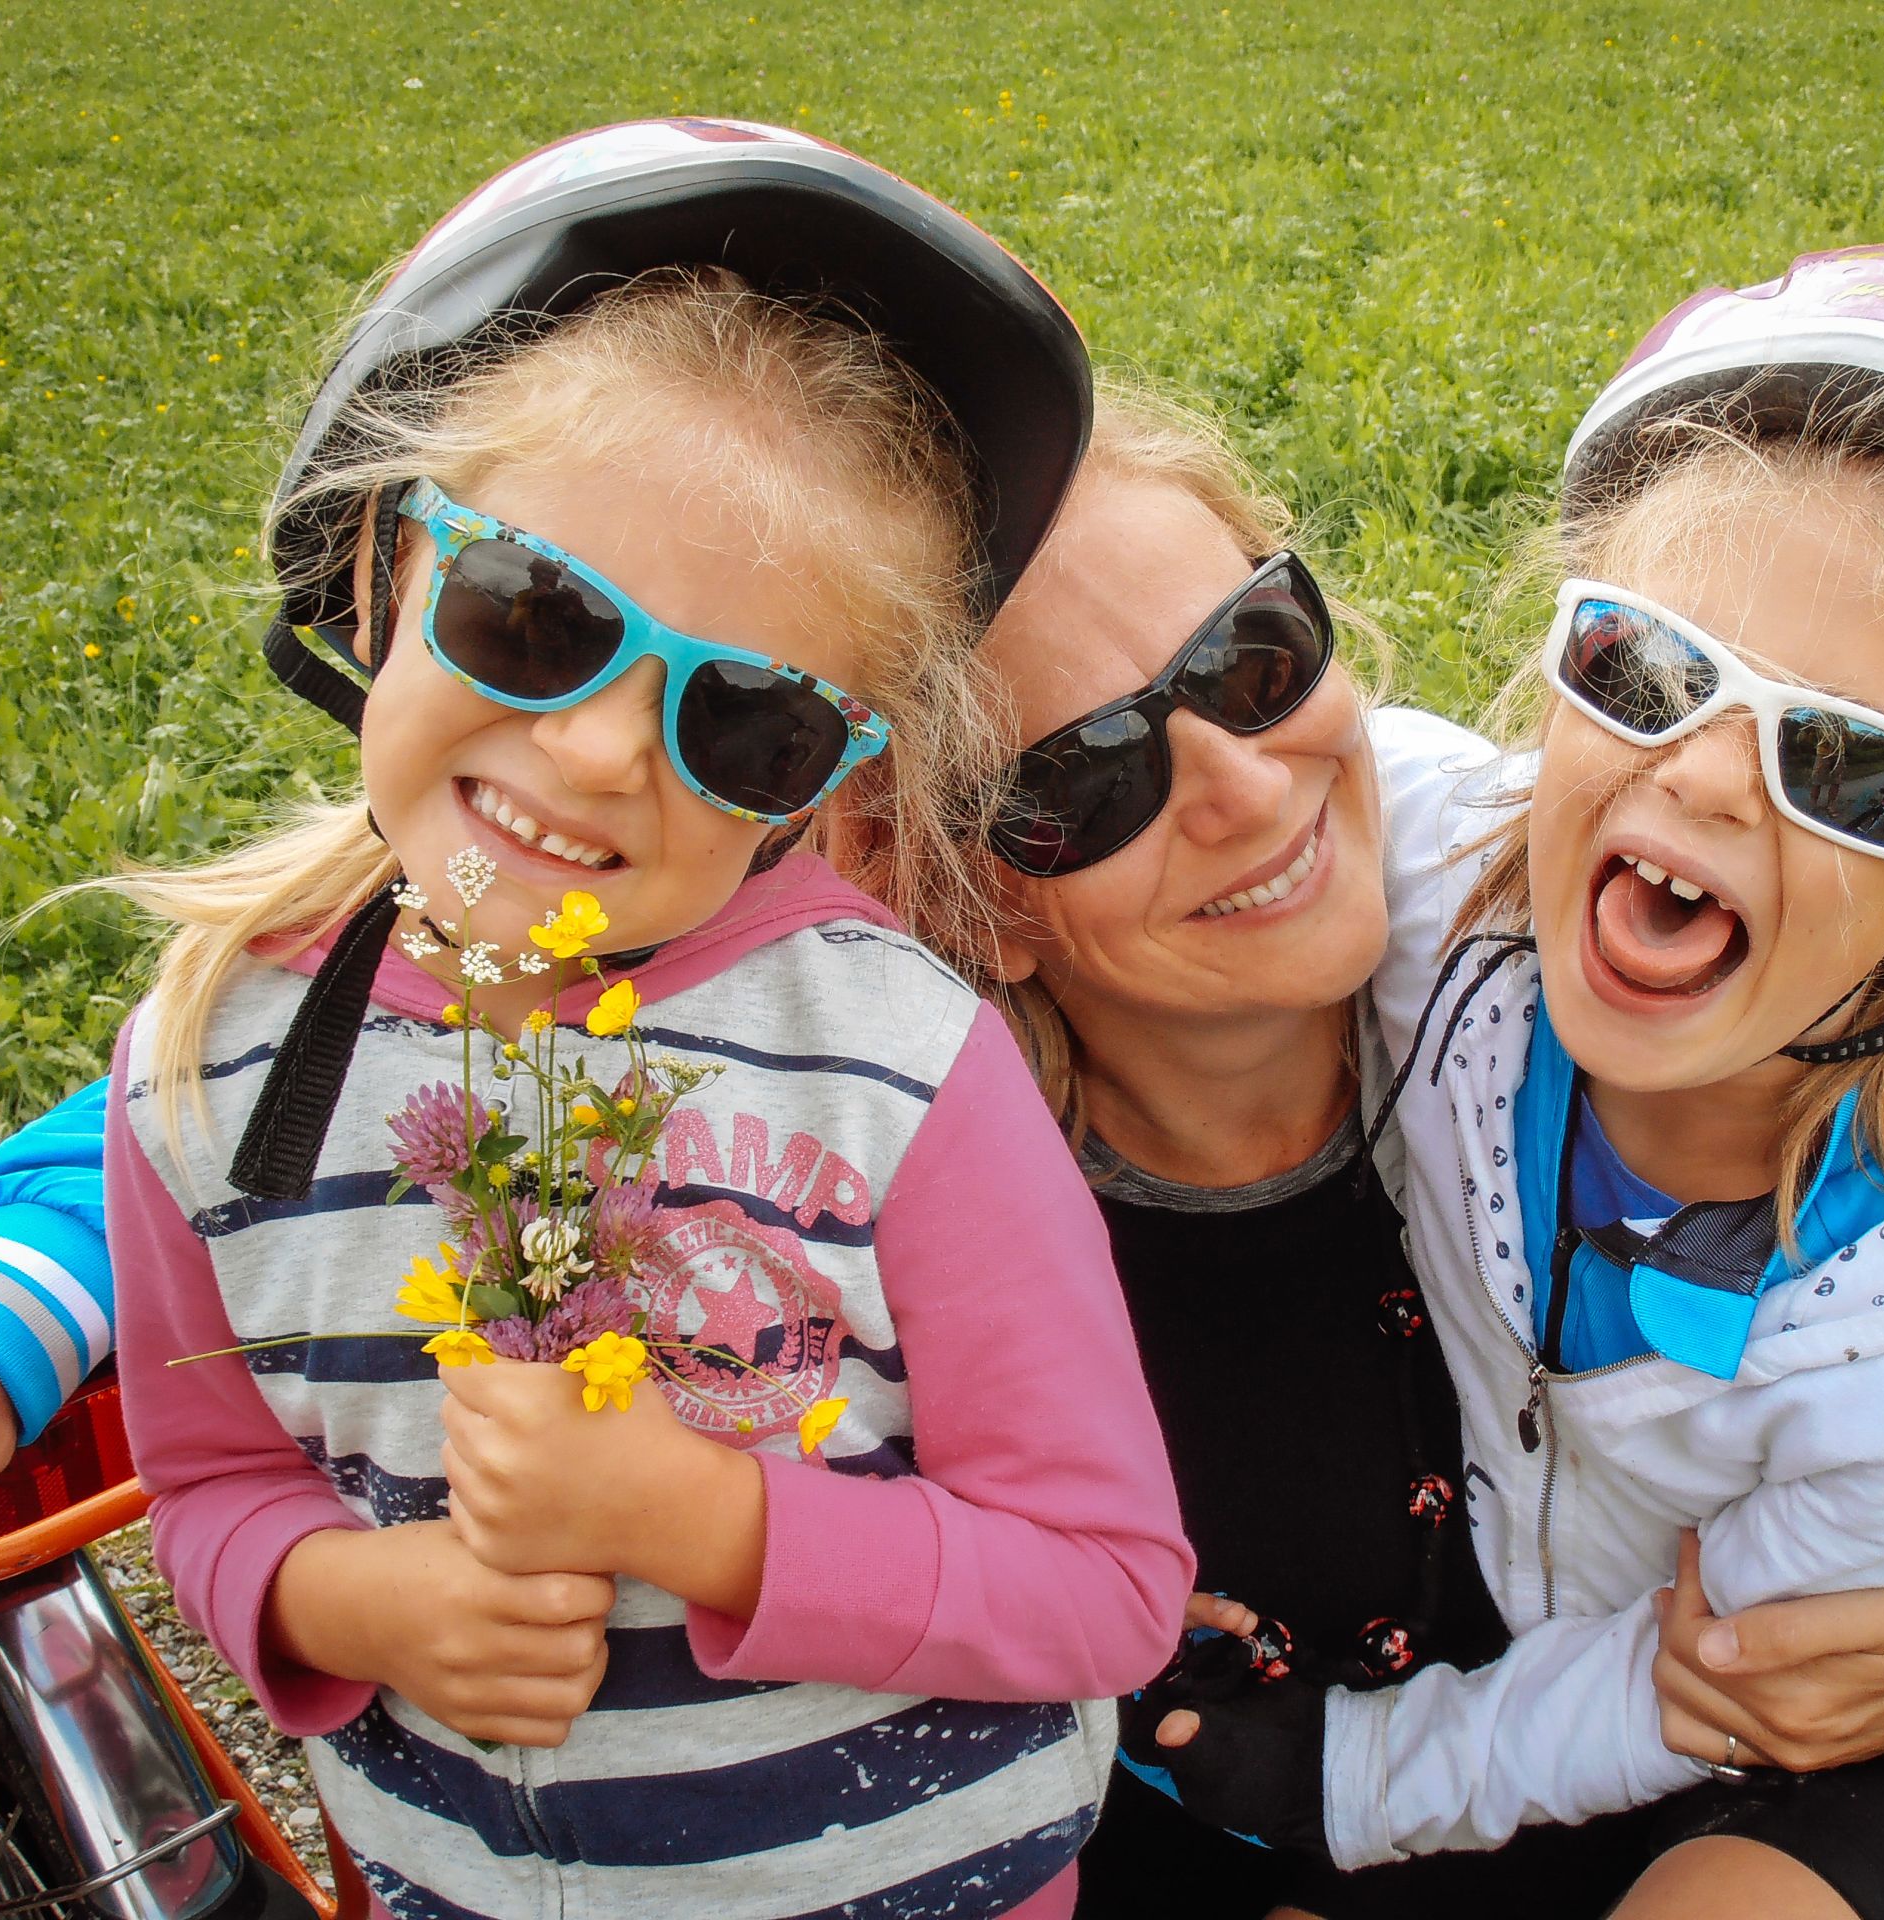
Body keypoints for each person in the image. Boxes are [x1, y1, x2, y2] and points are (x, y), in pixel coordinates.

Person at [0, 307, 1884, 1919]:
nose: (1242, 786)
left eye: (1255, 656)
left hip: (1809, 1686)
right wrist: (3, 1295)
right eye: (1078, 779)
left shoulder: (1485, 885)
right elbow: (353, 1034)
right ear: (923, 877)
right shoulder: (904, 1131)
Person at [90, 121, 1189, 1920]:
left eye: (745, 721)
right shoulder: (209, 1067)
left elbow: (1107, 1584)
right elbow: (210, 1484)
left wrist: (704, 1525)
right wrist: (353, 1603)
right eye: (533, 617)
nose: (600, 750)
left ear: (827, 780)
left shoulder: (899, 1067)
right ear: (378, 570)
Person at [1134, 246, 1884, 1920]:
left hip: (1869, 1705)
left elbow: (1699, 1674)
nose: (1700, 774)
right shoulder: (1429, 883)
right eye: (1648, 667)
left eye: (1856, 768)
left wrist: (1358, 1781)